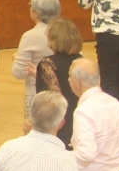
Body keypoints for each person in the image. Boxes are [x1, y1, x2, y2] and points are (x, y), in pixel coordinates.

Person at [35, 17, 84, 147]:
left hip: (61, 120)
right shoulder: (81, 59)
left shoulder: (47, 63)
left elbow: (54, 97)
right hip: (80, 116)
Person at [11, 0, 59, 120]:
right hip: (61, 94)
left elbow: (19, 73)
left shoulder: (29, 36)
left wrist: (15, 59)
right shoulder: (66, 32)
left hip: (36, 94)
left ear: (36, 13)